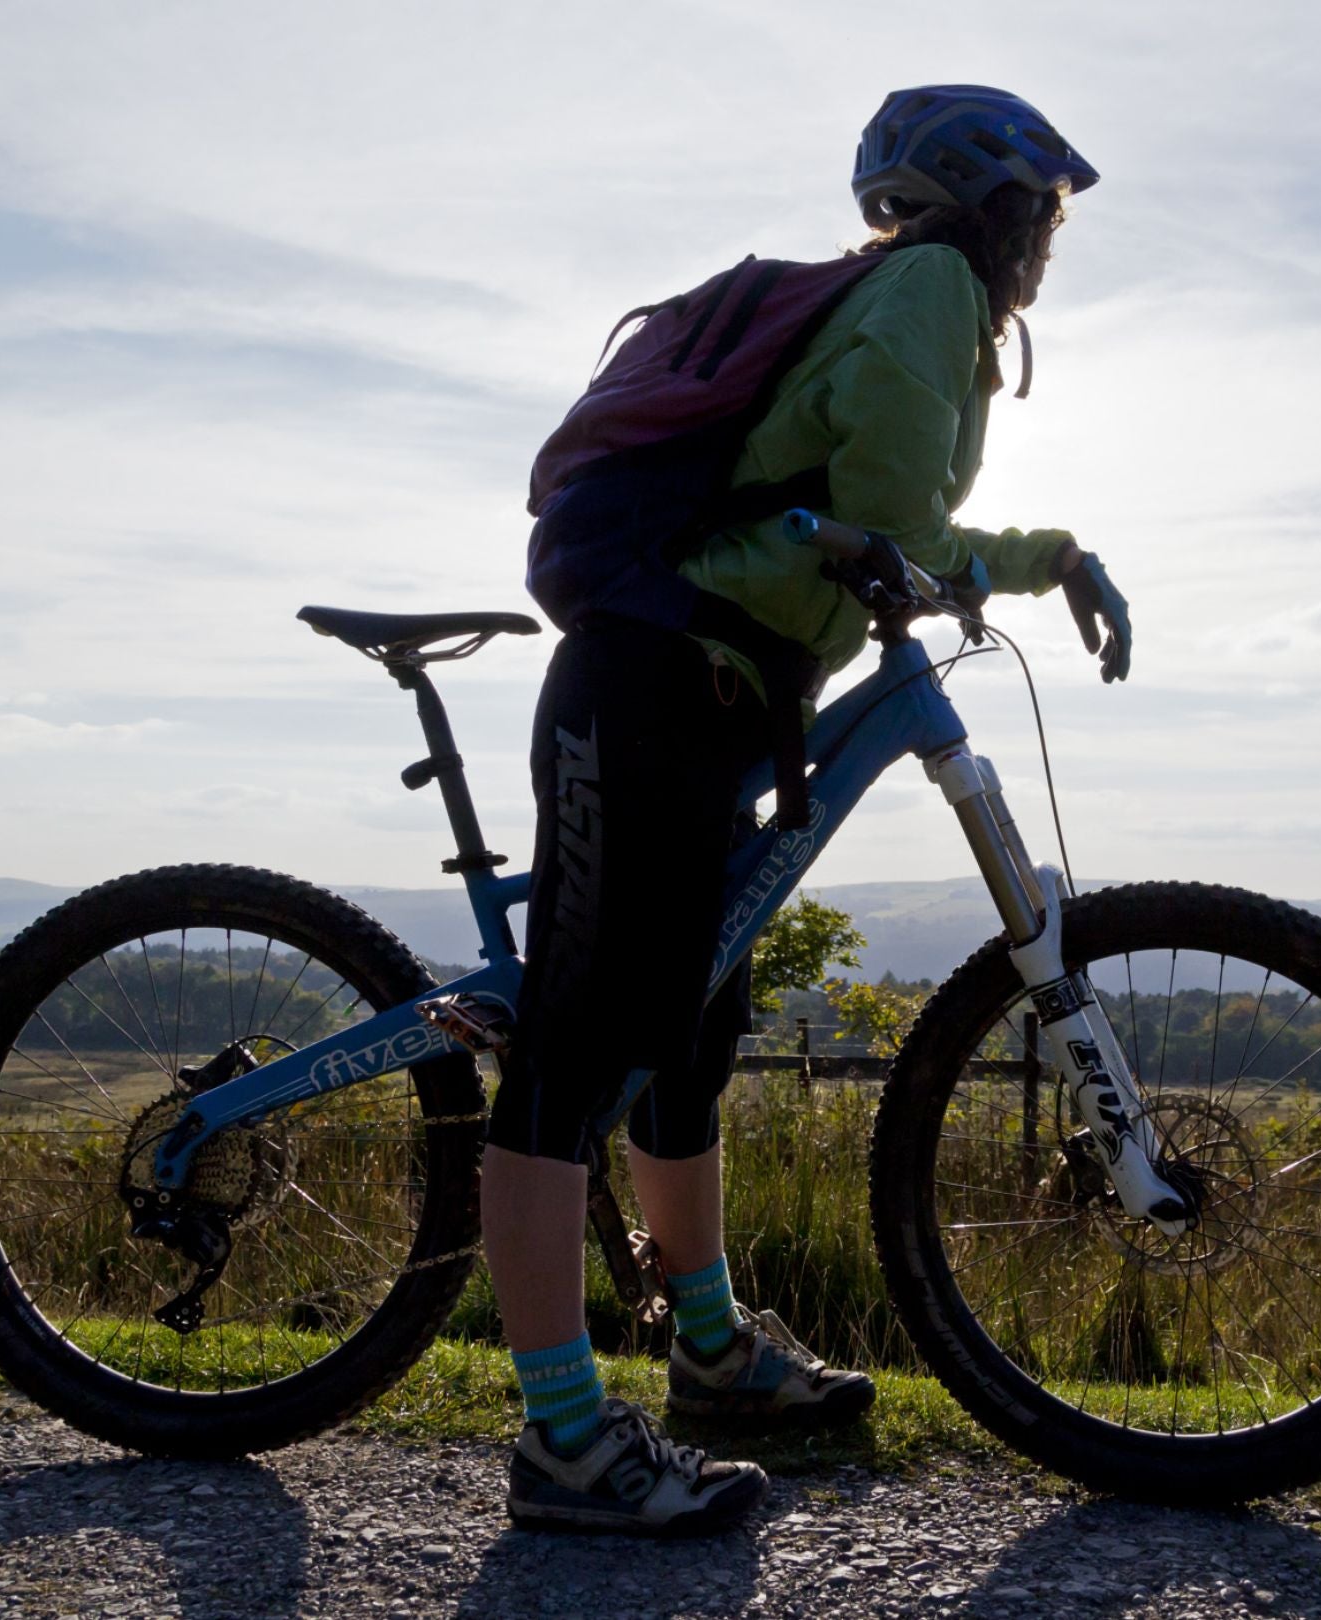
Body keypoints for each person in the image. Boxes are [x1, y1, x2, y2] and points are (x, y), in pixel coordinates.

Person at [488, 85, 1134, 1536]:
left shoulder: (928, 307)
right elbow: (903, 536)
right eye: (1047, 212)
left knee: (689, 1036)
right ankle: (566, 1441)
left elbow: (885, 531)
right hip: (650, 685)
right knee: (574, 1056)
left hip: (710, 694)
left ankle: (709, 1355)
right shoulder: (925, 293)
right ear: (999, 204)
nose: (1051, 242)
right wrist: (1019, 562)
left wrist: (1041, 556)